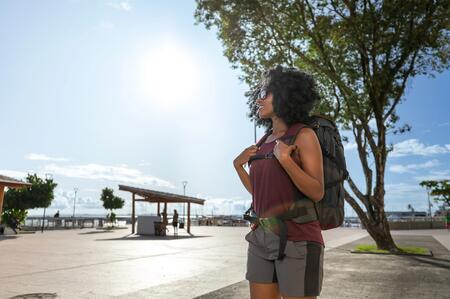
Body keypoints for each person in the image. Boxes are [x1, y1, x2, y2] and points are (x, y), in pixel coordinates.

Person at [233, 66, 325, 299]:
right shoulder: (263, 141)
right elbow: (259, 193)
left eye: (266, 92)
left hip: (299, 239)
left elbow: (317, 191)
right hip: (261, 237)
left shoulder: (304, 135)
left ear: (285, 94)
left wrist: (286, 160)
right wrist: (238, 166)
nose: (259, 99)